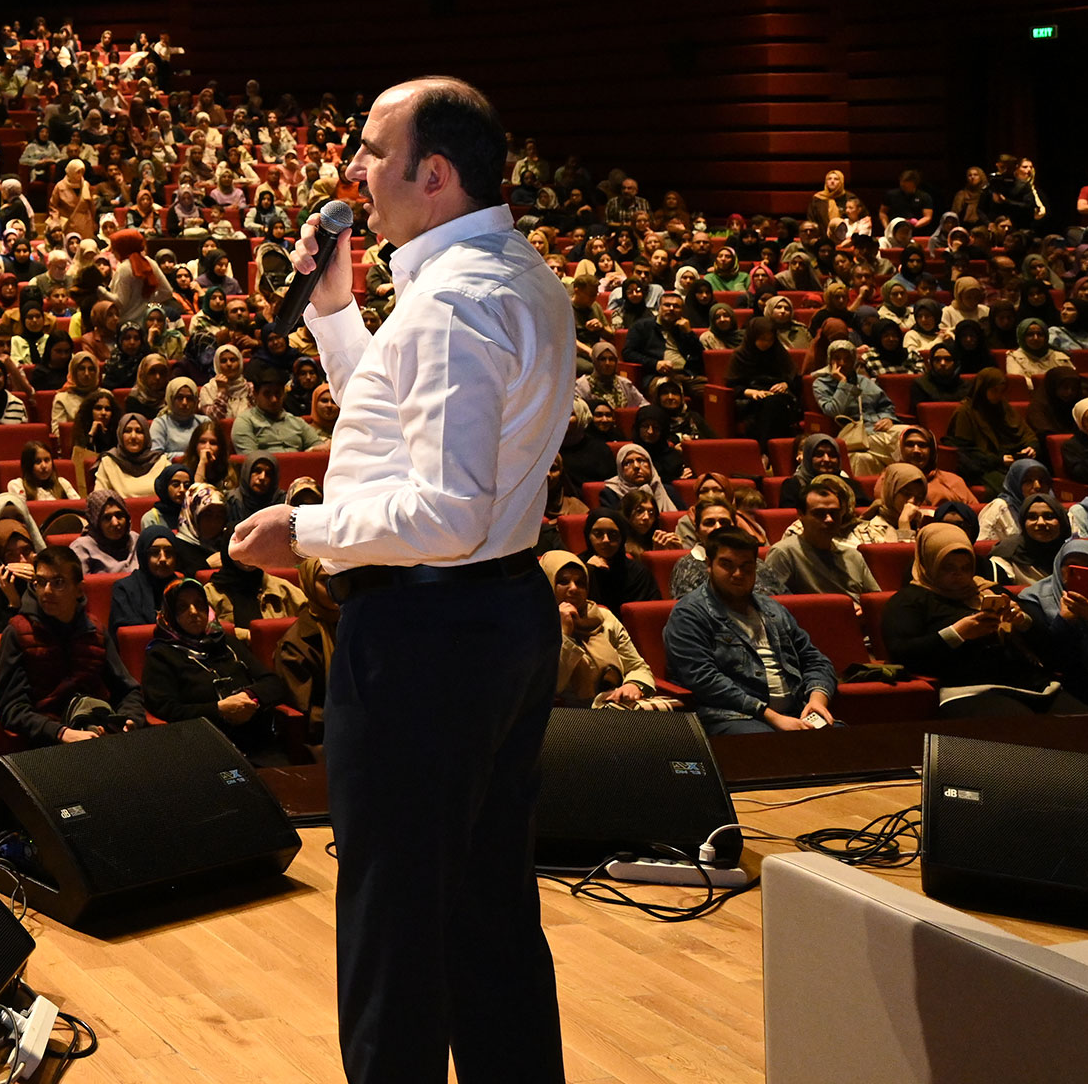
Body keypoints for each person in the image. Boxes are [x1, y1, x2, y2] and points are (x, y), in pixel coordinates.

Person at [228, 77, 568, 1084]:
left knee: (393, 938)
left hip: (426, 641)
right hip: (499, 620)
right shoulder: (504, 272)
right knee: (488, 917)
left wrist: (310, 530)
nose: (353, 173)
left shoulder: (456, 303)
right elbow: (399, 424)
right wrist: (337, 310)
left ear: (434, 172)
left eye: (372, 151)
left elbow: (445, 509)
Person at [879, 522, 1086, 715]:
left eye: (965, 567)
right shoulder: (910, 600)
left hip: (1031, 684)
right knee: (1027, 729)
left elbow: (1047, 646)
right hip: (969, 689)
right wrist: (958, 633)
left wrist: (1022, 621)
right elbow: (902, 653)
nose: (958, 574)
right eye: (948, 567)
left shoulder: (989, 590)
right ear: (929, 563)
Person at [663, 527, 840, 735]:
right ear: (709, 565)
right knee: (767, 743)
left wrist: (817, 700)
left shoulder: (773, 609)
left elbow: (815, 660)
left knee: (841, 739)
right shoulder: (689, 614)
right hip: (732, 715)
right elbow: (704, 680)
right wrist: (772, 717)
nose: (738, 574)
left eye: (746, 566)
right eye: (727, 565)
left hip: (796, 711)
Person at [0, 544, 144, 746]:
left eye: (58, 582)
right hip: (47, 743)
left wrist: (128, 719)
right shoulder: (17, 632)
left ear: (79, 589)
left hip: (97, 729)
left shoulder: (95, 630)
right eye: (41, 582)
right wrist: (61, 733)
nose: (47, 591)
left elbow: (128, 689)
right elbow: (11, 708)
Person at [139, 575, 300, 762]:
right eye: (182, 607)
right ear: (170, 613)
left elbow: (272, 683)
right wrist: (219, 709)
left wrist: (249, 697)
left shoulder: (226, 642)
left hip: (257, 743)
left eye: (199, 604)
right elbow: (167, 709)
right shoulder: (161, 654)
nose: (193, 612)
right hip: (202, 749)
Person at [536, 549, 665, 709]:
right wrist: (565, 633)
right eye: (563, 582)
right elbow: (549, 686)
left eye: (580, 583)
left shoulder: (603, 618)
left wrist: (633, 685)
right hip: (561, 717)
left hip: (611, 706)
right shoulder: (534, 624)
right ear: (547, 584)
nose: (574, 588)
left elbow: (637, 667)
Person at [757, 475, 878, 596]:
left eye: (834, 513)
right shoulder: (784, 554)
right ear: (800, 515)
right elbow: (771, 605)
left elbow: (875, 600)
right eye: (819, 513)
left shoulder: (853, 556)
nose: (829, 519)